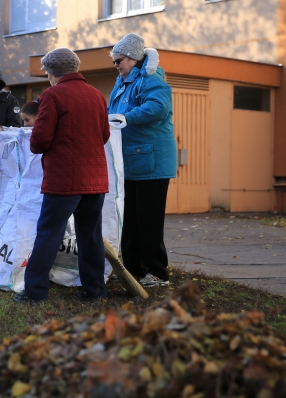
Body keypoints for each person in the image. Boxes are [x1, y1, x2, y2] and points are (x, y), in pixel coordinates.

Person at [14, 48, 110, 304]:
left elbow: (40, 140)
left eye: (47, 73)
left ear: (53, 73)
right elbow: (104, 136)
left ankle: (34, 292)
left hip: (64, 179)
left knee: (49, 233)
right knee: (90, 236)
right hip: (95, 178)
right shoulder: (97, 95)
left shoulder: (52, 95)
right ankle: (95, 291)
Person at [107, 33, 176, 288]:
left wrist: (128, 118)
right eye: (114, 61)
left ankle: (157, 272)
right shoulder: (122, 82)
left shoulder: (151, 78)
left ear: (134, 58)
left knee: (149, 220)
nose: (116, 65)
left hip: (152, 162)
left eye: (120, 60)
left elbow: (158, 107)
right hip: (131, 161)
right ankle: (134, 269)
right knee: (130, 219)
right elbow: (111, 113)